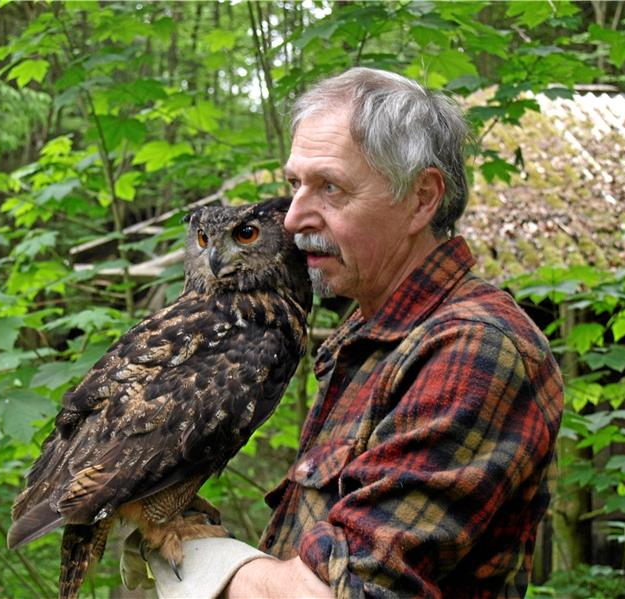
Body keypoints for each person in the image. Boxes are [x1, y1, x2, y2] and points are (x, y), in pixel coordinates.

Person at [127, 67, 564, 599]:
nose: (291, 218)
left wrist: (209, 565)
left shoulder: (474, 349)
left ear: (422, 198)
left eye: (329, 187)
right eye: (294, 184)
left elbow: (348, 591)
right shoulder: (373, 329)